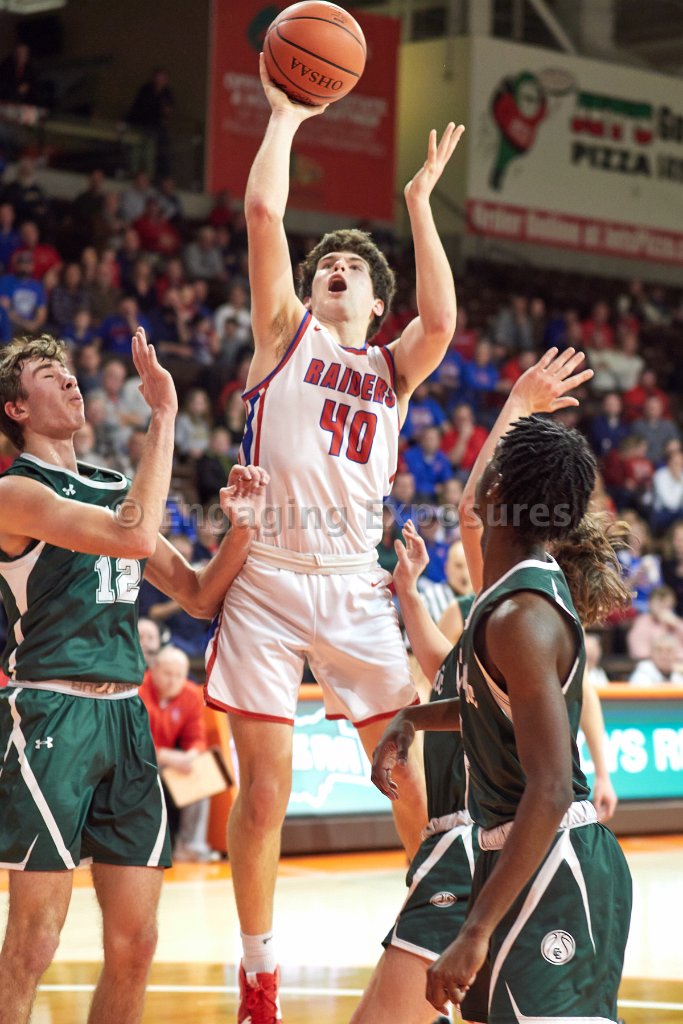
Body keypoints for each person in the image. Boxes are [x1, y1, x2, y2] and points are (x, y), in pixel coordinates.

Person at [205, 51, 465, 1023]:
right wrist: (284, 115)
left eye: (349, 269)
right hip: (268, 581)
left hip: (355, 585)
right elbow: (261, 214)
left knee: (407, 780)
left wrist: (419, 202)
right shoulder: (284, 335)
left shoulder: (392, 368)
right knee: (264, 794)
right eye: (324, 267)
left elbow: (442, 317)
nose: (332, 271)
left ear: (373, 302)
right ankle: (258, 973)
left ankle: (434, 952)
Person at [0, 329, 267, 1024]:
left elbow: (199, 596)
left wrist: (240, 529)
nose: (69, 380)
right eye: (47, 374)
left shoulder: (117, 489)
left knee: (137, 942)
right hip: (51, 713)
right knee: (35, 941)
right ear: (16, 409)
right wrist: (165, 416)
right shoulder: (13, 492)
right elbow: (134, 537)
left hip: (125, 715)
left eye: (68, 370)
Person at [355, 348, 622, 1024]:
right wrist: (415, 719)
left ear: (498, 493)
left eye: (491, 470)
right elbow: (486, 707)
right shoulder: (505, 596)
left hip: (558, 862)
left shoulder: (521, 617)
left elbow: (551, 786)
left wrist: (473, 931)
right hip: (512, 853)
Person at [138, 644, 216, 862]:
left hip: (171, 761)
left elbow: (197, 739)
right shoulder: (138, 691)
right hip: (137, 759)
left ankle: (191, 846)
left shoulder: (191, 694)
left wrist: (191, 756)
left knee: (201, 772)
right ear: (154, 670)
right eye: (168, 674)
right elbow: (131, 741)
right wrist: (164, 755)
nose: (173, 680)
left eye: (179, 675)